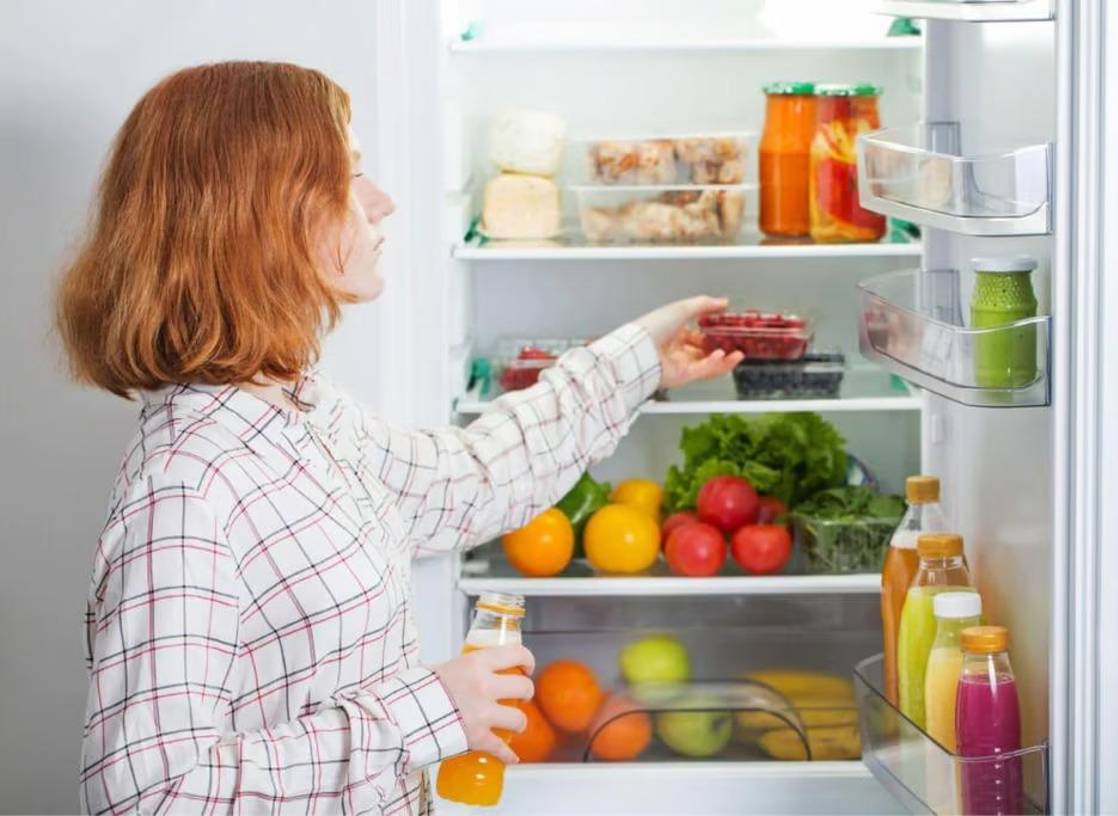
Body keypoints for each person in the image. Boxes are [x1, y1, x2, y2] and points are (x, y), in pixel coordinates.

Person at [55, 61, 742, 815]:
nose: (381, 202)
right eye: (349, 177)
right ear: (262, 216)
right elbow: (148, 797)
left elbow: (469, 479)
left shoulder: (301, 412)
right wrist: (426, 713)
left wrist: (642, 355)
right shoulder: (189, 488)